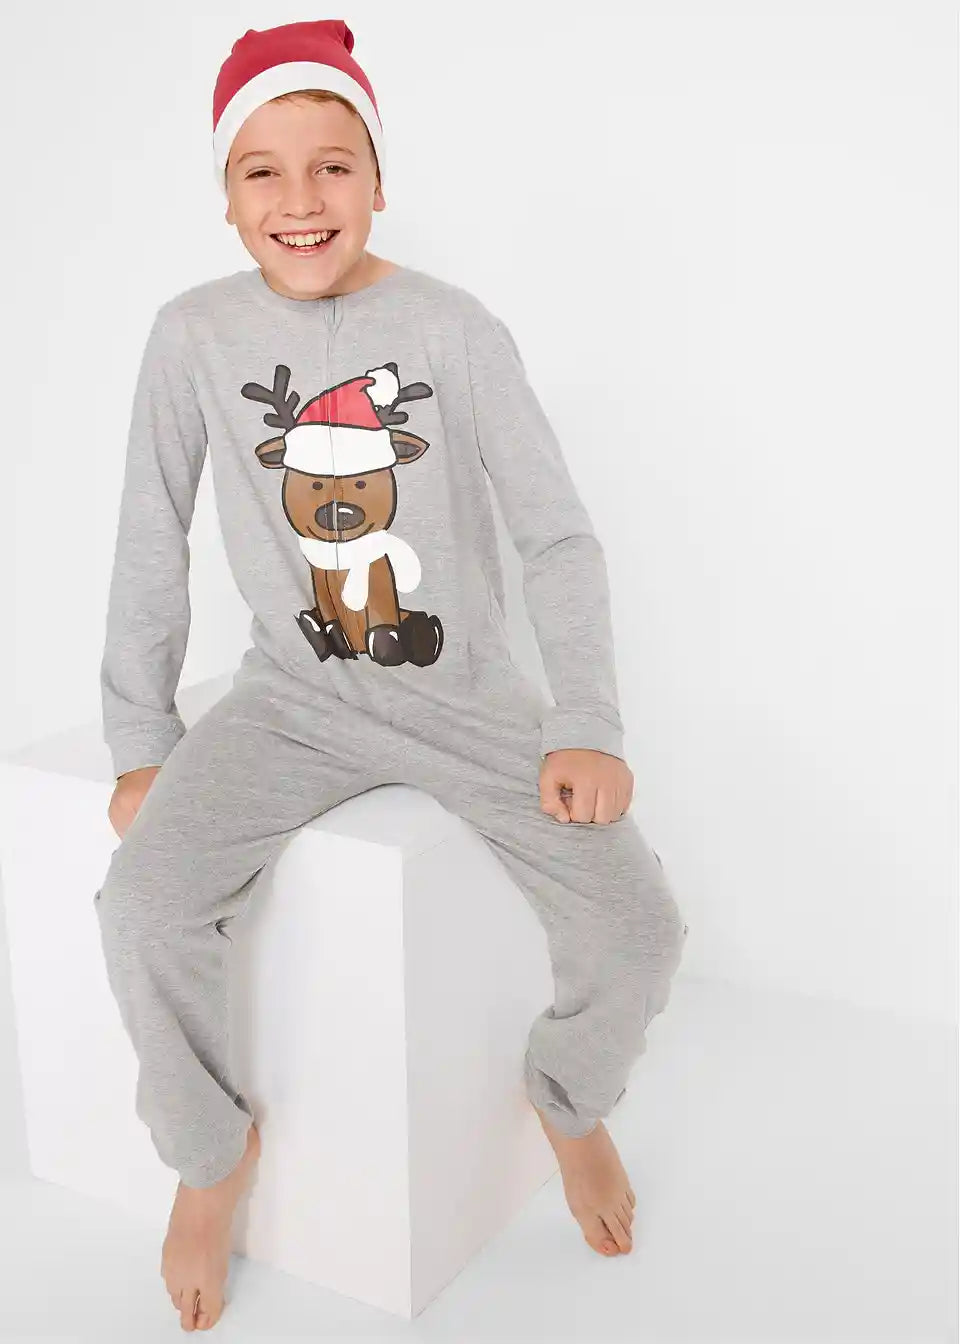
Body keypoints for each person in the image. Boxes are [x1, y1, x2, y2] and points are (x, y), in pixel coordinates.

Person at [93, 17, 689, 1332]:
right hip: (287, 706)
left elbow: (555, 533)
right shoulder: (191, 335)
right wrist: (141, 742)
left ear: (377, 178)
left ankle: (567, 1101)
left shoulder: (453, 329)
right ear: (225, 194)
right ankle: (209, 1156)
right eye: (263, 171)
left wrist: (586, 721)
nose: (300, 200)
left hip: (466, 704)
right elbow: (150, 536)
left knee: (640, 926)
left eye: (332, 165)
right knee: (140, 910)